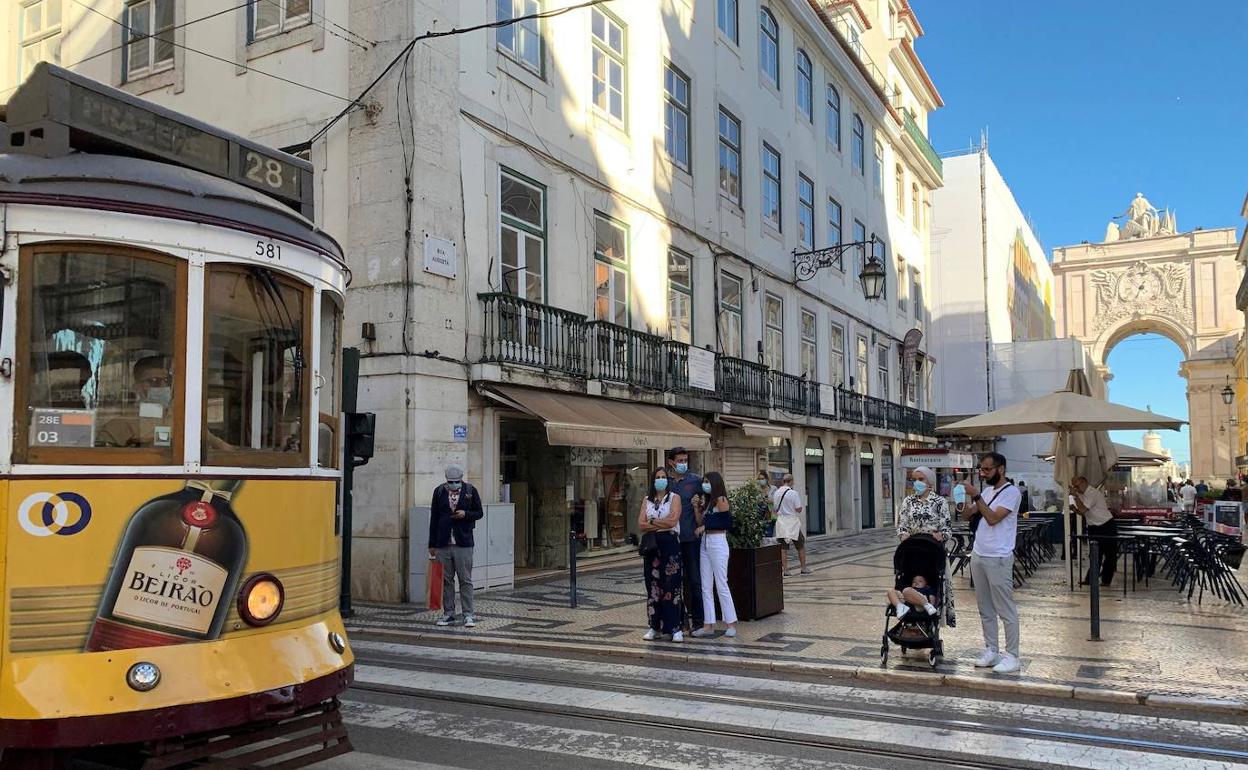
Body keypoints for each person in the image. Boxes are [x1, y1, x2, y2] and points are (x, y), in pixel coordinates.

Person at [961, 452, 1023, 674]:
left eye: (987, 469)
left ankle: (1013, 656)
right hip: (979, 554)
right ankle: (992, 650)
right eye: (981, 469)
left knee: (1005, 608)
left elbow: (993, 518)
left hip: (998, 557)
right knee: (985, 607)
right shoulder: (987, 492)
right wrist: (962, 501)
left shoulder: (1012, 493)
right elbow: (967, 515)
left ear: (1001, 469)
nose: (983, 473)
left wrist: (977, 496)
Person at [896, 466, 955, 626]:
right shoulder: (908, 501)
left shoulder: (940, 502)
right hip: (912, 550)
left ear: (930, 482)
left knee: (937, 582)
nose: (917, 482)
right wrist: (903, 534)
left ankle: (932, 619)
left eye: (921, 479)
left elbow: (947, 528)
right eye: (914, 480)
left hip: (933, 551)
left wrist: (941, 535)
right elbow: (902, 525)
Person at [428, 464, 484, 628]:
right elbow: (434, 518)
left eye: (456, 482)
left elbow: (479, 512)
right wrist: (432, 544)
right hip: (443, 543)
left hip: (463, 543)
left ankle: (468, 614)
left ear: (461, 479)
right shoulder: (439, 492)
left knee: (465, 580)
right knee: (446, 581)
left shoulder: (470, 491)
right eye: (450, 482)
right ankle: (449, 614)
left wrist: (465, 514)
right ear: (446, 480)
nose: (453, 485)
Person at [639, 466, 683, 642]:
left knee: (671, 585)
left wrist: (652, 521)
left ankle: (675, 627)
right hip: (652, 546)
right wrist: (660, 523)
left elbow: (673, 521)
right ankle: (654, 626)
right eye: (657, 477)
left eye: (663, 477)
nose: (660, 480)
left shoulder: (674, 498)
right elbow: (641, 524)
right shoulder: (647, 500)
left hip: (670, 545)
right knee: (653, 586)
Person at [692, 471, 738, 639]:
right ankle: (708, 624)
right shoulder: (708, 502)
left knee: (721, 583)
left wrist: (704, 527)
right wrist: (697, 508)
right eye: (703, 482)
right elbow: (700, 522)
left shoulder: (721, 500)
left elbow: (725, 521)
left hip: (718, 541)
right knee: (706, 585)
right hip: (706, 542)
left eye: (707, 481)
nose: (705, 484)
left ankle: (730, 623)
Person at [667, 447, 704, 630]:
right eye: (679, 461)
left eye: (685, 460)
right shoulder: (665, 482)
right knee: (674, 582)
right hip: (671, 539)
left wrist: (702, 523)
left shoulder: (695, 480)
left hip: (691, 539)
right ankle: (681, 620)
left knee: (695, 581)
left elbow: (707, 504)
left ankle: (698, 621)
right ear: (671, 462)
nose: (683, 464)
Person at [1070, 476, 1116, 587]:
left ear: (1084, 483)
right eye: (1074, 487)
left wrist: (1075, 497)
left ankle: (1106, 580)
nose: (1076, 489)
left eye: (1077, 486)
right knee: (1095, 555)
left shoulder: (1092, 493)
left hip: (1105, 525)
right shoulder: (1082, 494)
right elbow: (1084, 513)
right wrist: (1075, 509)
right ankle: (1090, 579)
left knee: (1109, 555)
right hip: (1093, 527)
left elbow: (1083, 509)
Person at [773, 474, 810, 576]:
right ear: (791, 481)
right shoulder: (793, 493)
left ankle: (785, 570)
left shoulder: (776, 493)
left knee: (783, 548)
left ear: (783, 481)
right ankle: (803, 568)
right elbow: (798, 509)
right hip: (792, 523)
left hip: (781, 522)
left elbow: (775, 509)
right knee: (800, 545)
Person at [757, 470, 777, 538]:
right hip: (759, 517)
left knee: (769, 535)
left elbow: (778, 501)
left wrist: (771, 501)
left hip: (770, 516)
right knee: (761, 536)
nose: (761, 480)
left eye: (762, 478)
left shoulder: (773, 489)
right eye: (759, 479)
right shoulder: (756, 489)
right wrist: (759, 501)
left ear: (766, 479)